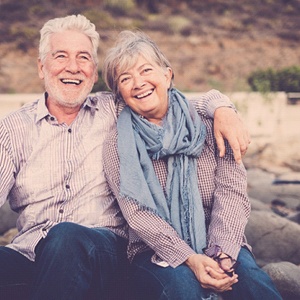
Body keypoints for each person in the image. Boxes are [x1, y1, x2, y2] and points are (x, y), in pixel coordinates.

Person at [0, 15, 249, 300]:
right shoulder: (12, 129)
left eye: (83, 58)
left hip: (104, 253)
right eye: (60, 56)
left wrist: (222, 108)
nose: (73, 67)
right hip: (31, 253)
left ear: (94, 74)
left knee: (66, 237)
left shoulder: (115, 110)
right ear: (41, 67)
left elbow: (167, 100)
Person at [102, 30, 282, 300]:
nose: (138, 83)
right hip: (155, 251)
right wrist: (189, 258)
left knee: (255, 287)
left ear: (167, 75)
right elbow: (137, 213)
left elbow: (232, 194)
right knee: (182, 289)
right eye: (125, 79)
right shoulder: (118, 142)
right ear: (120, 93)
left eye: (146, 70)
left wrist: (221, 252)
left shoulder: (211, 123)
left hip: (220, 239)